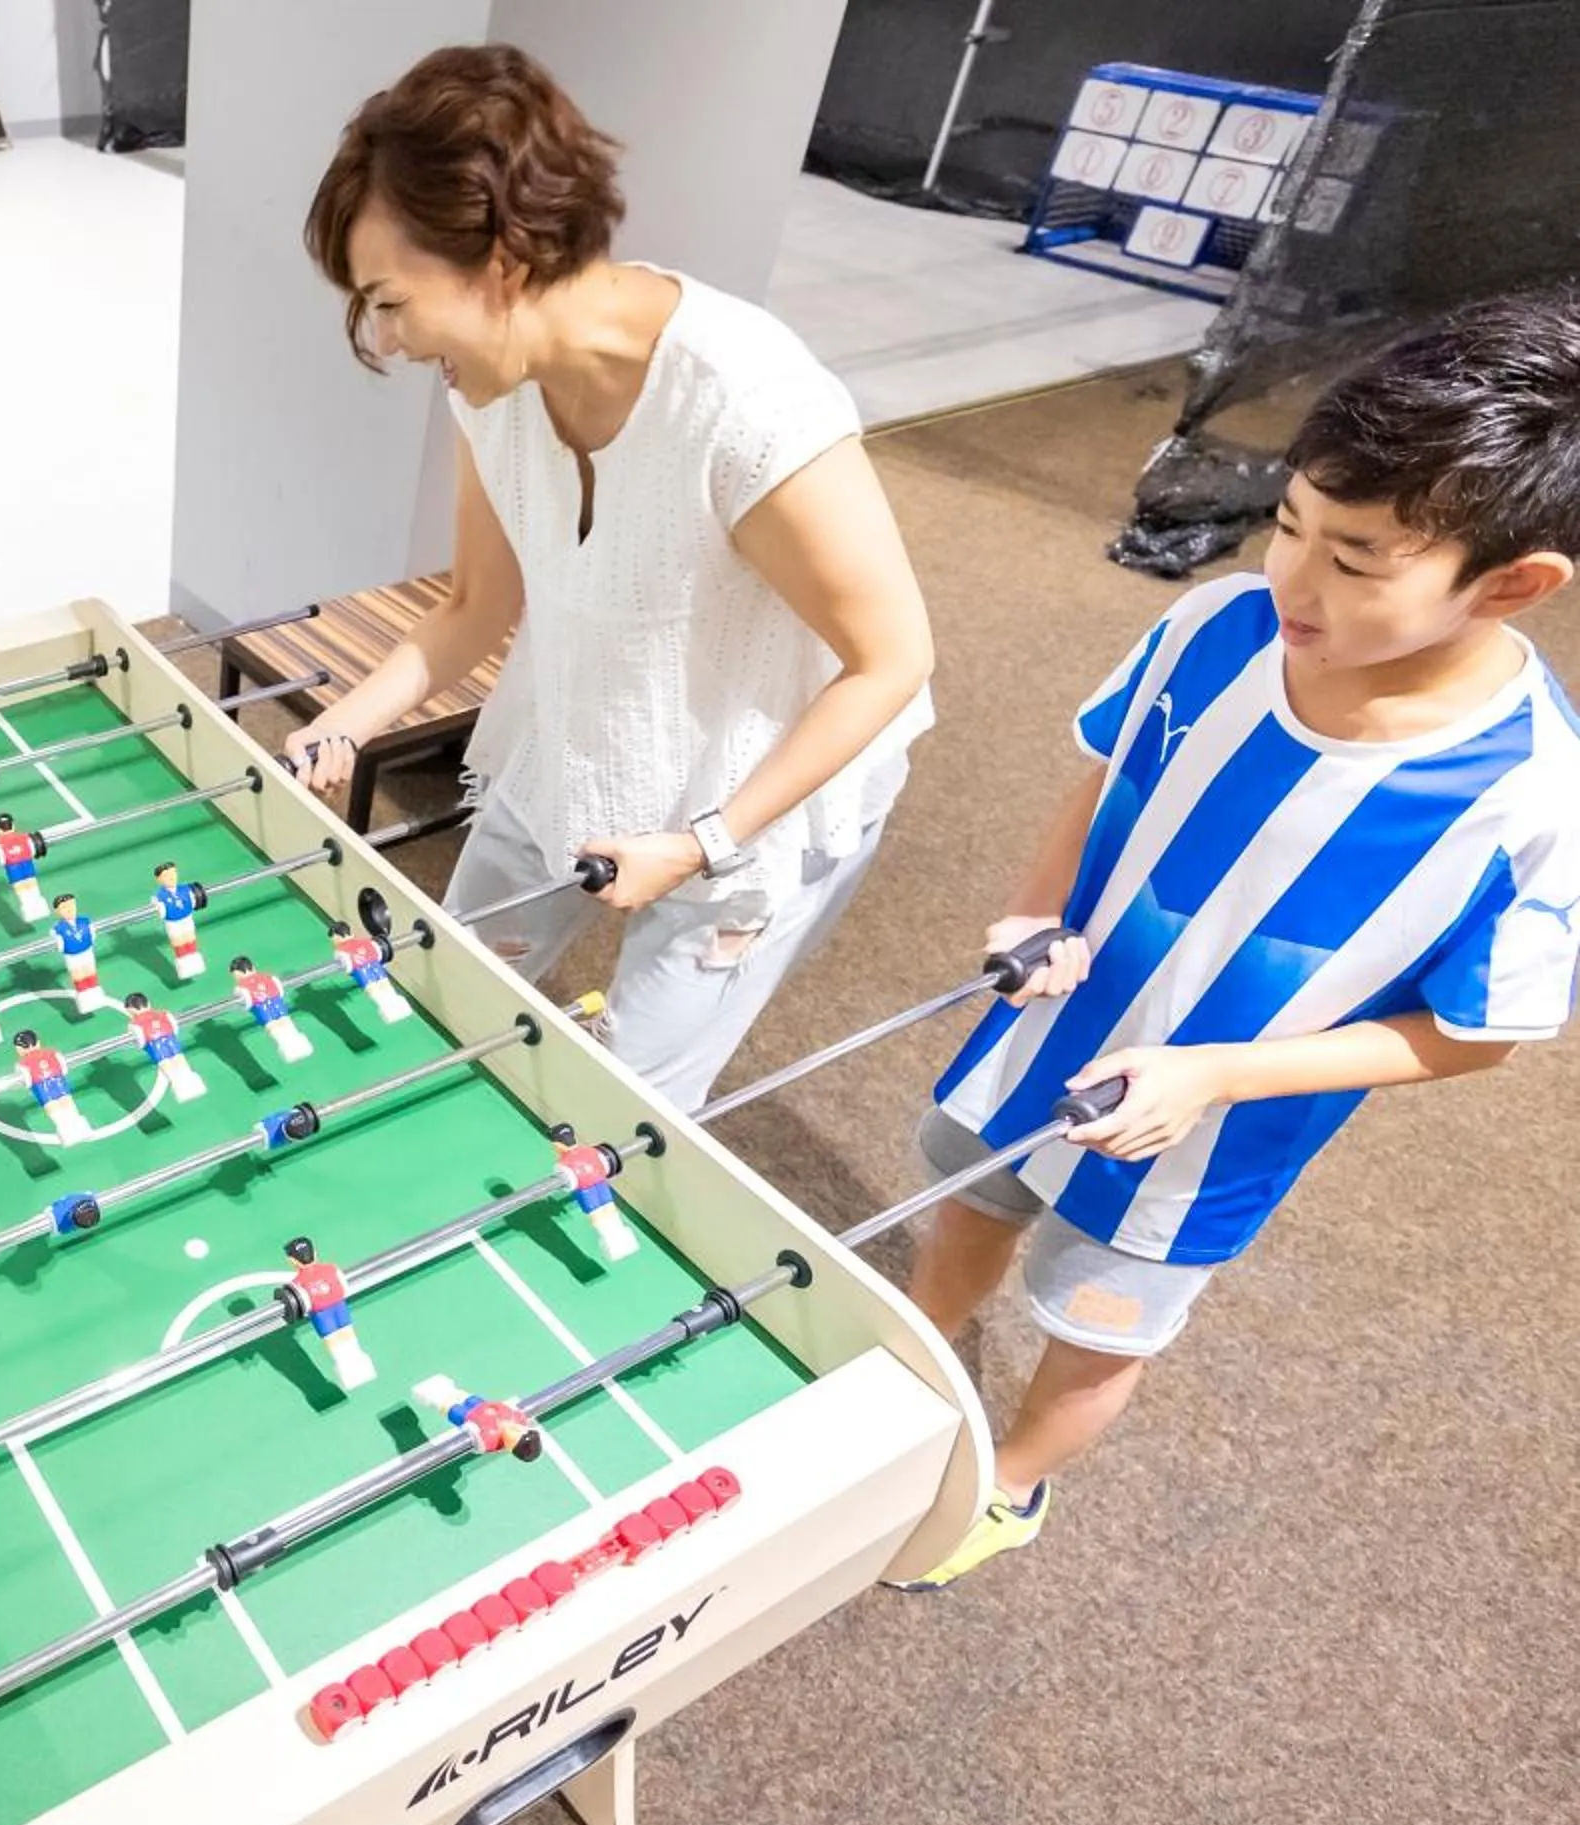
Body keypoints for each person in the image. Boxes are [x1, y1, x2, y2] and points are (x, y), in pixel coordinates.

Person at [897, 290, 1580, 1588]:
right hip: (1043, 1037)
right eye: (1290, 524)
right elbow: (1106, 776)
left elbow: (1474, 1037)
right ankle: (904, 1373)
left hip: (1205, 1142)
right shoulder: (1212, 625)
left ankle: (1011, 1482)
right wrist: (1037, 911)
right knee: (970, 1207)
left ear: (1515, 583)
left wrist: (1213, 1074)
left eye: (1357, 561)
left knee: (1099, 1332)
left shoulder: (1535, 798)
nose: (1292, 581)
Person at [287, 44, 936, 1113]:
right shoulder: (489, 384)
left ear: (502, 259)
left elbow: (892, 662)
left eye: (392, 302)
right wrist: (342, 726)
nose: (390, 342)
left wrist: (701, 842)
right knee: (447, 992)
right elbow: (478, 605)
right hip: (573, 742)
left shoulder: (747, 402)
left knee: (618, 1111)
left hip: (754, 805)